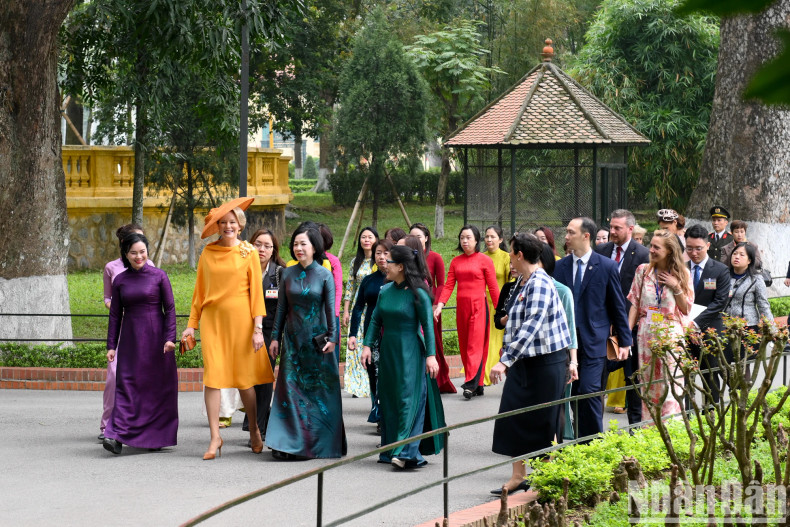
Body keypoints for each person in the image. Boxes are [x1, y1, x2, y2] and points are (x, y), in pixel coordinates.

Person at [182, 197, 272, 460]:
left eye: (232, 222)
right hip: (213, 323)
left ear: (240, 225)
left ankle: (254, 428)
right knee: (212, 380)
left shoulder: (249, 252)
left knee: (245, 382)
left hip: (242, 324)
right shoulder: (208, 253)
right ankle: (214, 437)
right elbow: (199, 294)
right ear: (218, 226)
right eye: (223, 222)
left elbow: (257, 294)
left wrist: (258, 329)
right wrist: (191, 326)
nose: (228, 226)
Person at [489, 233, 572, 495]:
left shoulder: (540, 283)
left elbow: (531, 326)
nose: (509, 257)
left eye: (511, 252)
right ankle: (518, 476)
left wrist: (504, 361)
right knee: (512, 416)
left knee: (543, 421)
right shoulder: (523, 282)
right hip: (524, 361)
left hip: (546, 363)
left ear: (520, 254)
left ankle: (547, 480)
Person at [361, 245, 446, 469]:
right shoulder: (385, 290)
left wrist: (431, 356)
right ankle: (391, 449)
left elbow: (428, 327)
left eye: (388, 261)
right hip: (388, 351)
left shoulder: (419, 293)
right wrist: (367, 345)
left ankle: (405, 451)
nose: (383, 264)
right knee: (389, 398)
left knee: (409, 398)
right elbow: (375, 320)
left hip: (410, 351)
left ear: (400, 266)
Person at [266, 223, 346, 459]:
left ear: (314, 247)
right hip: (292, 343)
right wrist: (275, 338)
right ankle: (289, 442)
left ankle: (316, 444)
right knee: (290, 393)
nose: (298, 248)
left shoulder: (324, 274)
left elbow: (331, 310)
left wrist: (333, 338)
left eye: (304, 244)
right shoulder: (287, 273)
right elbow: (281, 309)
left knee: (317, 395)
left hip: (318, 344)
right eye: (296, 244)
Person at [554, 217, 631, 438]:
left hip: (594, 342)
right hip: (565, 343)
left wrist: (625, 341)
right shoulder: (559, 267)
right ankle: (578, 442)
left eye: (570, 232)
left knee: (589, 392)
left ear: (586, 236)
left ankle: (594, 444)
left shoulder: (606, 266)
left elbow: (618, 306)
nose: (566, 237)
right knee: (574, 393)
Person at [102, 233, 177, 455]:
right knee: (126, 387)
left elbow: (170, 309)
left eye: (142, 252)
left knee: (155, 388)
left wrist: (170, 338)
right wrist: (111, 345)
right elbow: (115, 315)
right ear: (125, 254)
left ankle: (155, 436)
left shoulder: (159, 276)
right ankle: (114, 436)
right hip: (131, 341)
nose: (138, 256)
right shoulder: (120, 280)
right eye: (133, 252)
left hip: (157, 341)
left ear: (147, 252)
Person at [627, 230, 693, 418]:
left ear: (670, 251)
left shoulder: (683, 274)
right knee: (648, 384)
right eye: (651, 245)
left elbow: (687, 309)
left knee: (670, 385)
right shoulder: (643, 270)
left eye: (657, 247)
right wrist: (626, 335)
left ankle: (672, 429)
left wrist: (676, 286)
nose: (651, 250)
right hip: (646, 333)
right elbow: (634, 304)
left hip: (671, 334)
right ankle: (650, 432)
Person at [594, 209, 650, 425]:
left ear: (630, 229)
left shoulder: (643, 254)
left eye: (617, 228)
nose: (612, 231)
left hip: (630, 329)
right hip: (601, 328)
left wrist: (626, 326)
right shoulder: (601, 250)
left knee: (633, 383)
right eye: (611, 227)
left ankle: (635, 431)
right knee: (596, 383)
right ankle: (593, 434)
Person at [98, 223, 153, 442]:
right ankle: (107, 425)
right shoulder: (112, 268)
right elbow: (107, 298)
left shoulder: (151, 266)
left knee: (143, 376)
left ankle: (140, 425)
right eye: (134, 241)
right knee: (114, 375)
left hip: (144, 329)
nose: (139, 250)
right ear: (123, 243)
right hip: (122, 327)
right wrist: (119, 306)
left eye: (142, 241)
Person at [435, 225, 500, 399]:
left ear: (476, 240)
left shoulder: (485, 260)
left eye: (468, 238)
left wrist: (501, 311)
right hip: (461, 307)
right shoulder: (456, 261)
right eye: (462, 237)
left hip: (479, 306)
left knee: (475, 345)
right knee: (464, 345)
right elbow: (449, 286)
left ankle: (470, 384)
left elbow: (493, 288)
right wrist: (440, 304)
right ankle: (478, 384)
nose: (464, 241)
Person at [241, 228, 287, 438]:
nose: (261, 249)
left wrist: (277, 336)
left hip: (269, 333)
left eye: (267, 246)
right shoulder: (241, 269)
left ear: (273, 250)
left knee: (265, 379)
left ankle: (258, 428)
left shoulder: (279, 273)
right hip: (242, 331)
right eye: (258, 244)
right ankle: (252, 421)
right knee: (248, 379)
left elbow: (284, 307)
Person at [348, 239, 393, 426]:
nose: (381, 257)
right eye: (378, 253)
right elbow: (358, 308)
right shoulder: (368, 280)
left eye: (386, 253)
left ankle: (389, 414)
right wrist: (352, 335)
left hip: (392, 332)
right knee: (374, 373)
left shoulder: (397, 280)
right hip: (371, 333)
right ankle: (379, 411)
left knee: (389, 373)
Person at [685, 224, 731, 404]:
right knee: (685, 372)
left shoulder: (720, 270)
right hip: (684, 330)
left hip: (709, 329)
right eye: (689, 248)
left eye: (698, 248)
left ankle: (711, 411)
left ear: (708, 246)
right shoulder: (681, 268)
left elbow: (719, 302)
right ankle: (687, 411)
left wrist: (695, 323)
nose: (694, 253)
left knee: (710, 372)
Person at [409, 223, 456, 394]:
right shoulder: (408, 258)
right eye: (412, 237)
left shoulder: (435, 257)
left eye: (419, 236)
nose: (415, 240)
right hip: (411, 305)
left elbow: (442, 284)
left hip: (432, 306)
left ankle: (439, 379)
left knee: (433, 341)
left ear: (427, 238)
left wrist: (437, 304)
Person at [343, 227, 379, 398]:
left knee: (369, 343)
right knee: (356, 344)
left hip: (372, 305)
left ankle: (370, 383)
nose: (366, 240)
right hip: (358, 307)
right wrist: (346, 310)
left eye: (369, 237)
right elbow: (350, 287)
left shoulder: (379, 261)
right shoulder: (355, 262)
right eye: (363, 237)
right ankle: (358, 384)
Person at [483, 226, 511, 385]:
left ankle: (488, 370)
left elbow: (510, 281)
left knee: (494, 338)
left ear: (500, 239)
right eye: (486, 236)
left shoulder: (507, 257)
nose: (489, 240)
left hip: (498, 303)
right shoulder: (481, 256)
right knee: (484, 336)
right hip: (482, 302)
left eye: (492, 237)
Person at [725, 242, 774, 331]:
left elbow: (763, 306)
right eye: (734, 254)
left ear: (749, 260)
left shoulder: (756, 279)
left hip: (748, 326)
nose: (737, 257)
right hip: (726, 325)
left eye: (742, 255)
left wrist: (772, 329)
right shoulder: (724, 276)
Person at [319, 224, 344, 363]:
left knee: (330, 356)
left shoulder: (333, 260)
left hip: (330, 313)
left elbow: (338, 288)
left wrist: (333, 313)